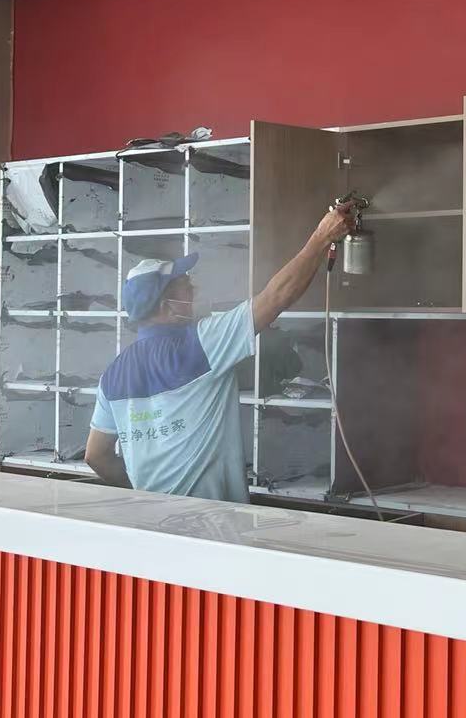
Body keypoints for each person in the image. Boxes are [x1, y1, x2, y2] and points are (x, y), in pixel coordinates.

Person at [84, 204, 355, 500]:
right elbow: (277, 296)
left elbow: (96, 456)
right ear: (165, 306)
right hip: (212, 518)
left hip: (152, 519)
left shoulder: (112, 375)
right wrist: (322, 237)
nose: (194, 291)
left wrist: (145, 494)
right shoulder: (199, 345)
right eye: (185, 287)